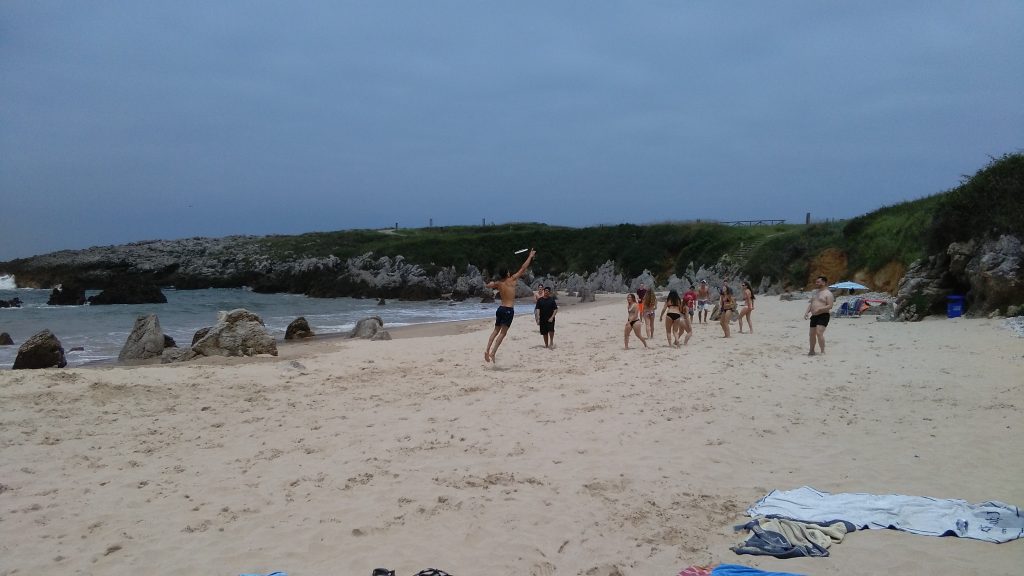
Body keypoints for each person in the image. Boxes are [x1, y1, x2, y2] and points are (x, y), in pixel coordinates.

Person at [483, 248, 536, 362]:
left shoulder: (499, 283)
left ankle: (487, 350)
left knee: (495, 331)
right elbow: (523, 268)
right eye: (508, 271)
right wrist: (530, 256)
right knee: (503, 333)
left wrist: (489, 283)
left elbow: (488, 285)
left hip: (500, 308)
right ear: (507, 273)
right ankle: (493, 353)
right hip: (508, 310)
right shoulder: (512, 280)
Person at [804, 275, 835, 355]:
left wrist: (820, 309)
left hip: (823, 315)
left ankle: (822, 351)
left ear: (824, 282)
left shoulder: (828, 294)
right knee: (811, 334)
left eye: (818, 282)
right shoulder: (815, 293)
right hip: (814, 316)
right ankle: (811, 350)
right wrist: (807, 312)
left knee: (819, 332)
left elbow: (830, 306)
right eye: (816, 282)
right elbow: (811, 303)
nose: (816, 283)